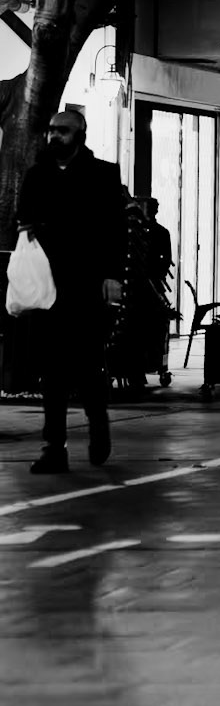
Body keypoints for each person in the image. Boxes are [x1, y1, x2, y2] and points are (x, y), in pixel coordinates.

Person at [17, 108, 127, 472]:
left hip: (88, 285)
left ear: (80, 134)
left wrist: (113, 276)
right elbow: (22, 222)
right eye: (51, 131)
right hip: (47, 285)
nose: (54, 136)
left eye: (62, 131)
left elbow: (116, 231)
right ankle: (54, 447)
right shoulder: (36, 175)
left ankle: (99, 428)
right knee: (52, 369)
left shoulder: (103, 175)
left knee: (88, 364)